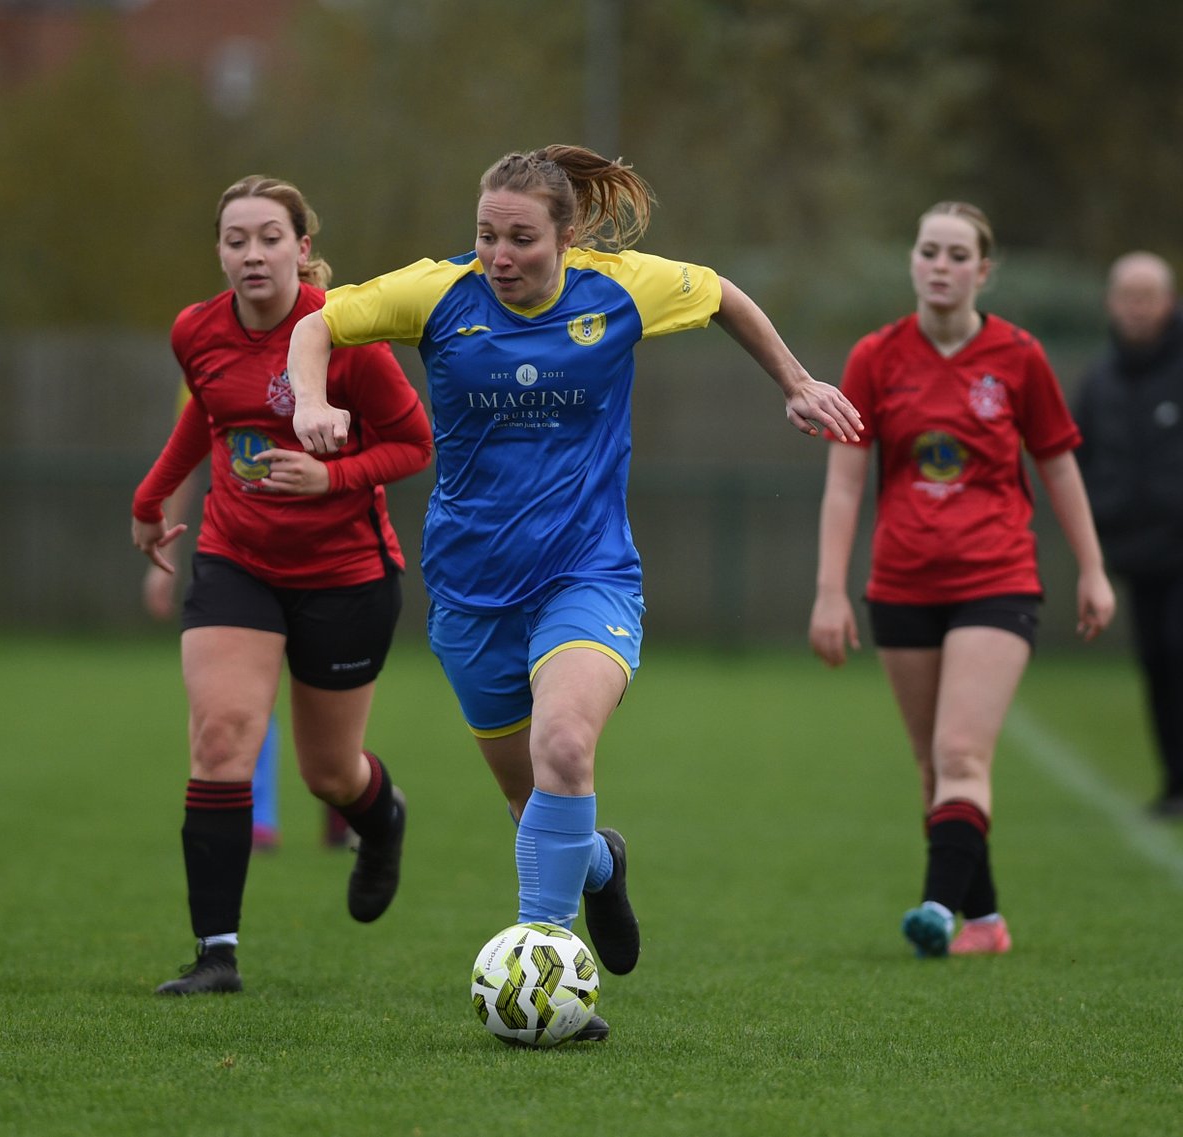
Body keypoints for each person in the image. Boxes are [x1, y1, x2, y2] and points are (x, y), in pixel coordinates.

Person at [286, 144, 863, 1041]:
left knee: (564, 746)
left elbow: (722, 296)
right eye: (486, 235)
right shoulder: (440, 293)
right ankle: (598, 866)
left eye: (520, 238)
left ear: (566, 238)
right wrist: (308, 402)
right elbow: (318, 321)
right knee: (535, 807)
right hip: (472, 595)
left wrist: (797, 381)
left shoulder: (621, 288)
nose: (499, 255)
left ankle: (545, 961)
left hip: (586, 575)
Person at [131, 175, 433, 995]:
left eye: (270, 236)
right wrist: (150, 496)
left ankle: (384, 818)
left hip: (346, 574)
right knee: (224, 736)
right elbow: (207, 413)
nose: (252, 253)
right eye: (236, 239)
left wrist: (330, 480)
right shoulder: (196, 330)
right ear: (220, 252)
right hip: (236, 560)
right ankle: (216, 953)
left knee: (329, 774)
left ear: (303, 248)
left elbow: (415, 444)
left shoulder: (348, 339)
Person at [808, 201, 1116, 958]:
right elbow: (846, 483)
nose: (940, 266)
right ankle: (984, 921)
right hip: (901, 583)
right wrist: (828, 589)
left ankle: (938, 911)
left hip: (997, 578)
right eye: (928, 252)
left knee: (960, 755)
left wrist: (1094, 570)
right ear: (912, 261)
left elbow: (1058, 463)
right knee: (932, 768)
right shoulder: (875, 357)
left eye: (956, 255)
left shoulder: (1019, 356)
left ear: (983, 269)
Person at [142, 422, 355, 852]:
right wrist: (163, 552)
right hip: (244, 560)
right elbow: (185, 461)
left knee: (329, 701)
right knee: (241, 699)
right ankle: (256, 818)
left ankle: (347, 797)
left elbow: (399, 444)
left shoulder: (341, 356)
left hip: (332, 557)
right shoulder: (208, 364)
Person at [1076, 252, 1183, 817]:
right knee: (1158, 664)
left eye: (1149, 296)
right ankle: (1174, 782)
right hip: (1137, 553)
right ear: (1111, 304)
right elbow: (1077, 461)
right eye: (1128, 296)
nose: (1138, 308)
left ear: (1169, 301)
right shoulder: (1099, 381)